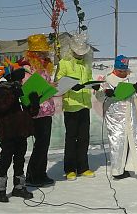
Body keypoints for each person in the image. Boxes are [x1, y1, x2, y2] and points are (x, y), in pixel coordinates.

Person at [0, 58, 40, 202]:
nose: (20, 81)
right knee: (5, 160)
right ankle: (0, 190)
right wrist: (13, 94)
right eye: (18, 78)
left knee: (19, 160)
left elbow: (31, 113)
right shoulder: (1, 90)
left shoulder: (20, 90)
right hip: (8, 133)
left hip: (21, 133)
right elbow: (0, 108)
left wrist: (35, 103)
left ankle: (19, 187)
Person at [55, 34, 99, 181]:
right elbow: (59, 83)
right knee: (71, 138)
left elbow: (88, 79)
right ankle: (69, 169)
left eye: (82, 53)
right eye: (77, 52)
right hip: (71, 106)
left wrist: (94, 85)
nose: (79, 55)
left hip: (85, 104)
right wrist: (70, 87)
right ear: (71, 50)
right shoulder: (64, 63)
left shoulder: (86, 64)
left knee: (84, 138)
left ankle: (83, 167)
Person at [95, 55, 137, 179]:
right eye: (120, 71)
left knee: (131, 140)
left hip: (129, 113)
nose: (122, 73)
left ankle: (130, 167)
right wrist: (105, 93)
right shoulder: (107, 79)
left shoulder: (130, 79)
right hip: (114, 115)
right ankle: (117, 170)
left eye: (124, 71)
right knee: (117, 142)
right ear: (115, 68)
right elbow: (99, 97)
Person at [24, 34, 56, 187]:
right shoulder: (28, 68)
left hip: (47, 110)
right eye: (41, 52)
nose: (44, 55)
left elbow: (46, 85)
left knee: (44, 144)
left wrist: (53, 86)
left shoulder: (45, 67)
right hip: (36, 111)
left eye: (45, 52)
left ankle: (41, 173)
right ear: (33, 53)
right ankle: (32, 175)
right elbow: (27, 89)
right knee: (40, 144)